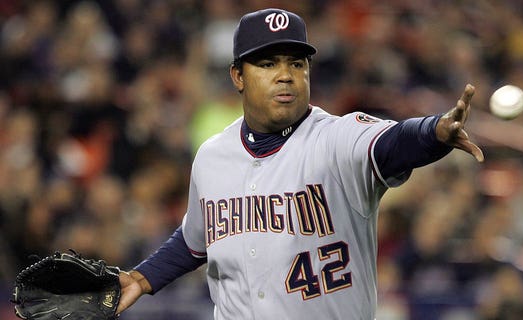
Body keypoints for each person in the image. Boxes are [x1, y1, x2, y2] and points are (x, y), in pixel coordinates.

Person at [116, 8, 484, 319]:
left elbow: (393, 143)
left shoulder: (338, 139)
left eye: (296, 62)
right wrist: (143, 278)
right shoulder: (212, 156)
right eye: (267, 63)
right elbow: (197, 238)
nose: (285, 74)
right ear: (237, 76)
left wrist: (433, 131)